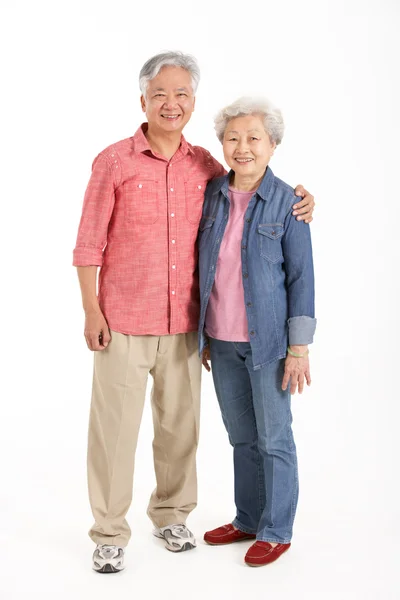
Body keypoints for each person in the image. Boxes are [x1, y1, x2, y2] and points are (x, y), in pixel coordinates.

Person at [73, 52, 315, 573]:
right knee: (114, 432)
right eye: (160, 93)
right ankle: (110, 532)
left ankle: (171, 515)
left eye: (182, 94)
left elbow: (256, 191)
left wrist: (299, 196)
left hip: (187, 327)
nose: (171, 102)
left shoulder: (205, 165)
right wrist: (91, 310)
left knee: (181, 430)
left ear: (193, 102)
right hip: (123, 324)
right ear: (143, 100)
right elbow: (88, 244)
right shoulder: (113, 161)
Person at [198, 97, 316, 567]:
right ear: (222, 143)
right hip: (220, 342)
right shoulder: (211, 195)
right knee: (241, 438)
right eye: (232, 137)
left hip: (269, 346)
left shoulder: (290, 203)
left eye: (253, 138)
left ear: (272, 145)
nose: (242, 147)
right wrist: (204, 335)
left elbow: (302, 279)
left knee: (274, 438)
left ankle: (276, 528)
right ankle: (247, 518)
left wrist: (299, 348)